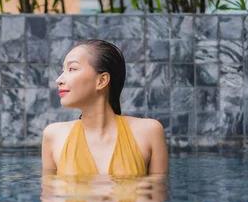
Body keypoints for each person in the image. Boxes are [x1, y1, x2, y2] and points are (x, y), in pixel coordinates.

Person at [41, 39, 169, 176]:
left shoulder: (149, 132)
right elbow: (50, 195)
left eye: (72, 69)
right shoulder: (54, 135)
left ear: (101, 81)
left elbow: (157, 193)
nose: (58, 80)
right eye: (63, 70)